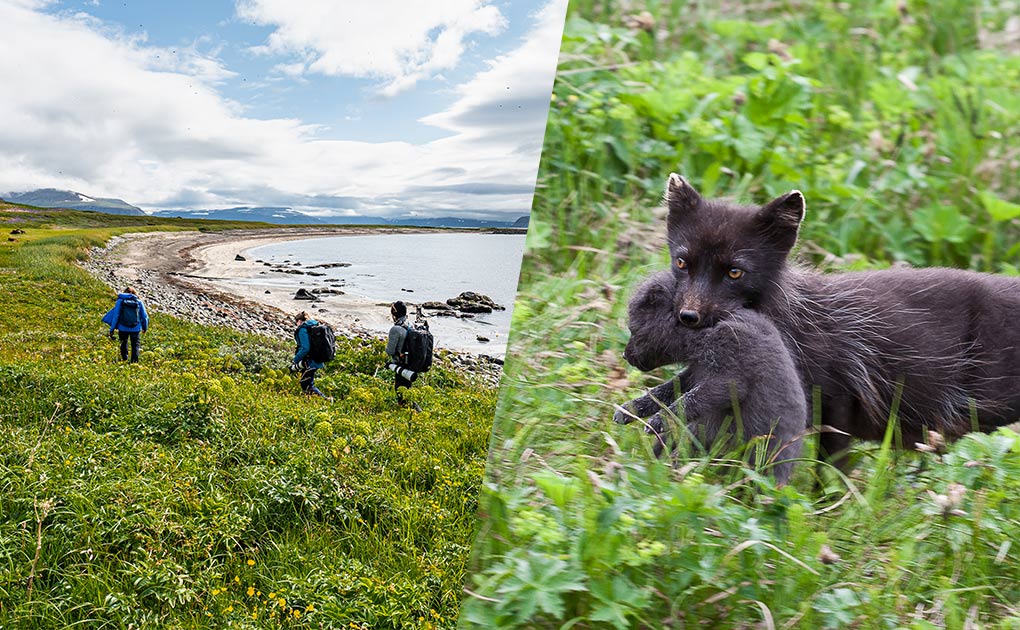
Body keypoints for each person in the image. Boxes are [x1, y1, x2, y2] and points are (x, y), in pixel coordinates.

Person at [385, 301, 420, 410]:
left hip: (401, 364)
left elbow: (390, 351)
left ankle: (412, 412)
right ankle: (412, 411)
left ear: (394, 314)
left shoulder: (396, 329)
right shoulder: (411, 325)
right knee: (407, 388)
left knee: (401, 391)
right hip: (412, 363)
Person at [102, 287, 149, 363]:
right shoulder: (139, 302)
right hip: (135, 328)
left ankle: (124, 359)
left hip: (123, 327)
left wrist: (112, 329)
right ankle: (134, 363)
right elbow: (145, 316)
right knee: (135, 346)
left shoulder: (120, 301)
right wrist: (145, 327)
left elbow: (116, 316)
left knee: (123, 343)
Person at [292, 311, 330, 400]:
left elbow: (305, 348)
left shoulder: (302, 329)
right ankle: (310, 400)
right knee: (306, 383)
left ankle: (326, 400)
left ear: (299, 321)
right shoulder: (314, 326)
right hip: (317, 359)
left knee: (307, 385)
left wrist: (295, 360)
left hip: (309, 361)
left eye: (296, 322)